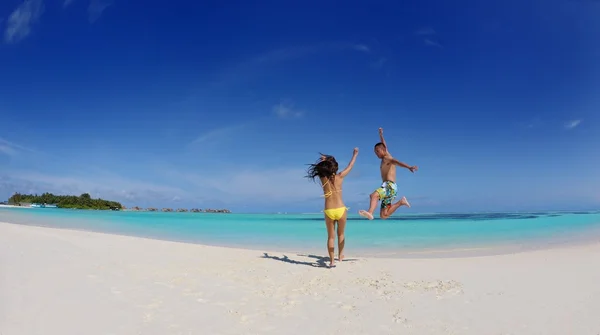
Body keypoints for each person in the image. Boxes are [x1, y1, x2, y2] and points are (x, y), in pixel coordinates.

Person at [306, 148, 358, 267]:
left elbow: (321, 168)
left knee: (330, 237)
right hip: (340, 209)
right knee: (341, 234)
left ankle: (332, 261)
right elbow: (350, 166)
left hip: (329, 210)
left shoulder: (323, 179)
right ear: (335, 168)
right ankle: (340, 256)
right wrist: (354, 154)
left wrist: (325, 161)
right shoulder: (340, 177)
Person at [359, 128, 418, 220]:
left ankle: (370, 212)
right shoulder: (385, 156)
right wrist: (381, 135)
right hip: (391, 189)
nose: (376, 154)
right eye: (375, 152)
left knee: (373, 195)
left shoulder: (387, 158)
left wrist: (409, 167)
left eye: (377, 151)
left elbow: (397, 162)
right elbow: (384, 145)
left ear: (383, 150)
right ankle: (401, 202)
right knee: (384, 215)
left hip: (389, 186)